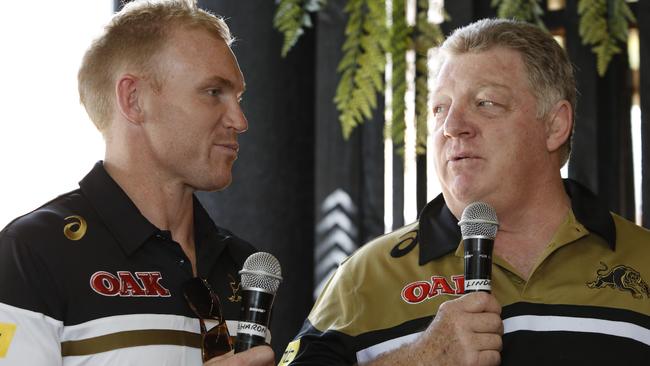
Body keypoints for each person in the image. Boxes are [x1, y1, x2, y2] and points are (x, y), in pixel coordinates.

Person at [281, 18, 650, 365]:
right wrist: (422, 358)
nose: (452, 127)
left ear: (555, 125)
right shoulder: (366, 277)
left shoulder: (642, 260)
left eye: (485, 102)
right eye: (440, 108)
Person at [0, 1, 274, 365]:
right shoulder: (33, 251)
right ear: (134, 99)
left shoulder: (243, 264)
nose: (240, 120)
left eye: (238, 98)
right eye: (213, 92)